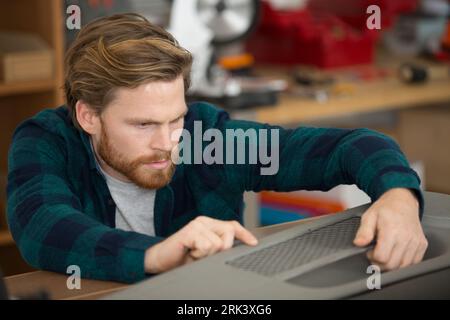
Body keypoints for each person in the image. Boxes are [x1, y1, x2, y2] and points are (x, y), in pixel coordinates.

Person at [7, 14, 427, 283]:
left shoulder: (209, 137)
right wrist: (156, 255)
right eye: (143, 124)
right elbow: (42, 227)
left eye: (175, 119)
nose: (168, 142)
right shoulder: (48, 140)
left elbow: (352, 146)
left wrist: (399, 195)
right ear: (88, 117)